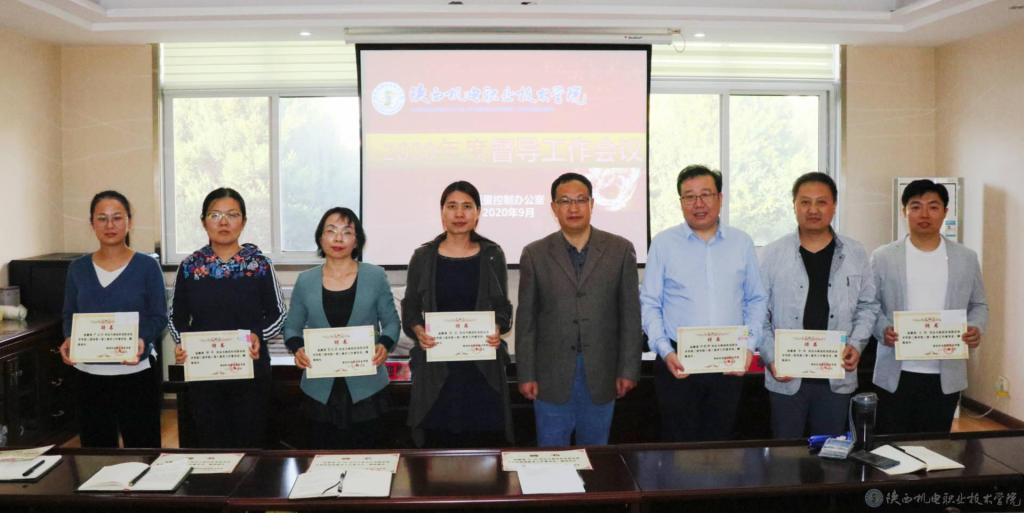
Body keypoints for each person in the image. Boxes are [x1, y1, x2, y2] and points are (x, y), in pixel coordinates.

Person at [639, 165, 767, 442]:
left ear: (720, 198)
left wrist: (749, 347)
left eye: (706, 194)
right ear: (681, 202)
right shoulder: (663, 244)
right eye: (689, 197)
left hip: (729, 361)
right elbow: (649, 303)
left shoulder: (741, 242)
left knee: (722, 445)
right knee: (678, 446)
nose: (698, 204)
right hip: (677, 361)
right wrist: (664, 350)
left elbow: (756, 299)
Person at [516, 172, 642, 447]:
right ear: (554, 207)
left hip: (603, 374)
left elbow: (631, 316)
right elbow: (526, 321)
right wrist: (525, 374)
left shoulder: (620, 250)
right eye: (565, 201)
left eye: (581, 200)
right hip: (550, 377)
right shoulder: (535, 254)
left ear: (592, 204)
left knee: (597, 457)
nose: (573, 208)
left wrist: (629, 369)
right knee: (552, 457)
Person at [758, 172, 879, 438]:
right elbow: (758, 313)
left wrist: (856, 344)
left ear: (834, 206)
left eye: (821, 202)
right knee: (786, 454)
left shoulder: (855, 253)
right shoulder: (772, 254)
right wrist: (771, 357)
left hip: (836, 376)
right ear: (794, 205)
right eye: (805, 202)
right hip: (786, 377)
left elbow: (868, 306)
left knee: (830, 452)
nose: (813, 210)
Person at [169, 187, 285, 448]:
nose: (223, 222)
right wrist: (182, 342)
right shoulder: (190, 266)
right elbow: (176, 316)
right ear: (203, 221)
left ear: (243, 221)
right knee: (211, 443)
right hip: (204, 371)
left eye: (232, 215)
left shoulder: (260, 264)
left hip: (251, 370)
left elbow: (278, 314)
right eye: (215, 215)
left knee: (251, 442)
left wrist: (258, 336)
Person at [402, 181, 514, 448]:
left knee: (484, 447)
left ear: (478, 213)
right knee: (436, 447)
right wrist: (418, 331)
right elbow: (410, 307)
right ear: (442, 212)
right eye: (452, 206)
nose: (459, 214)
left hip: (481, 369)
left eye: (467, 206)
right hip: (436, 368)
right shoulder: (423, 256)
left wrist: (498, 327)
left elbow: (503, 308)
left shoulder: (492, 254)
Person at [871, 179, 988, 434]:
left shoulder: (966, 258)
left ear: (945, 212)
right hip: (896, 371)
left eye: (933, 207)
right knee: (891, 444)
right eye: (916, 206)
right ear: (904, 211)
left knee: (935, 444)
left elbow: (979, 304)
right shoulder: (883, 257)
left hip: (945, 373)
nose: (924, 214)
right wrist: (883, 329)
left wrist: (975, 327)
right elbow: (870, 305)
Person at [283, 207, 399, 449]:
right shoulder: (305, 281)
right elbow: (291, 328)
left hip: (367, 387)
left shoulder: (375, 276)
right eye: (331, 231)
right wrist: (297, 349)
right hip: (319, 388)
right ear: (320, 237)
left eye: (347, 232)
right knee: (321, 459)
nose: (338, 238)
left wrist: (384, 345)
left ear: (357, 240)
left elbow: (391, 323)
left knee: (368, 458)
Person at [59, 190, 166, 448]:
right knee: (96, 454)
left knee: (143, 450)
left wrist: (142, 339)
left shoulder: (147, 267)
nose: (110, 225)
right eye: (102, 218)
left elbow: (159, 316)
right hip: (90, 376)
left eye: (117, 217)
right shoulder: (78, 269)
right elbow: (69, 314)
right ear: (92, 223)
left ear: (129, 222)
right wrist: (69, 338)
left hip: (136, 373)